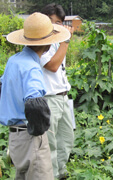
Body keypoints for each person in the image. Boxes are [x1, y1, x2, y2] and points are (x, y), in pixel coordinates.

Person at [0, 12, 71, 180]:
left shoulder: (14, 60)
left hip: (15, 137)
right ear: (48, 44)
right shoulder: (32, 67)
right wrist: (39, 133)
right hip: (30, 137)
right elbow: (35, 105)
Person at [40, 3, 75, 179]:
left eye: (59, 22)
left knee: (67, 138)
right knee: (51, 143)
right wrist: (66, 41)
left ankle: (61, 172)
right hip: (49, 98)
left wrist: (62, 42)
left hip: (63, 97)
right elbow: (53, 66)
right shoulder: (39, 43)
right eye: (52, 22)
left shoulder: (58, 42)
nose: (56, 26)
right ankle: (51, 175)